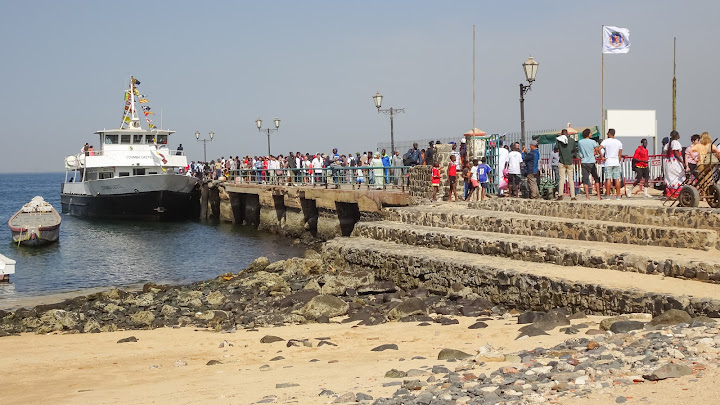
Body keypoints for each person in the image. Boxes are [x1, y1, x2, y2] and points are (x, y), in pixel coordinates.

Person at [599, 128, 623, 199]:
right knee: (617, 179)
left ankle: (608, 195)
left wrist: (602, 157)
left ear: (609, 134)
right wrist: (618, 161)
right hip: (616, 162)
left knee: (608, 179)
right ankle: (618, 195)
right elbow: (620, 154)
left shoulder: (606, 141)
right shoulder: (619, 142)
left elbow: (599, 148)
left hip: (608, 161)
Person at [578, 128, 601, 200]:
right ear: (588, 134)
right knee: (596, 178)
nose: (591, 134)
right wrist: (595, 153)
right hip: (591, 161)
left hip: (584, 161)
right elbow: (597, 151)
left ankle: (587, 196)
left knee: (585, 180)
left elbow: (580, 152)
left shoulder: (580, 142)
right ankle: (598, 196)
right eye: (591, 133)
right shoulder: (593, 142)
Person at [662, 131, 685, 197]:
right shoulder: (675, 142)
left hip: (668, 163)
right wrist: (682, 162)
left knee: (670, 178)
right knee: (678, 177)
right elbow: (675, 152)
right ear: (676, 135)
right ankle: (677, 194)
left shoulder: (668, 144)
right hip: (675, 163)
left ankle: (670, 193)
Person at [556, 129, 576, 200]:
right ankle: (573, 196)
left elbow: (555, 148)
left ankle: (560, 195)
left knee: (562, 179)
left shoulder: (559, 140)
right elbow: (574, 151)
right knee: (570, 179)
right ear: (567, 133)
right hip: (570, 161)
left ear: (562, 134)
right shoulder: (572, 140)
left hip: (562, 161)